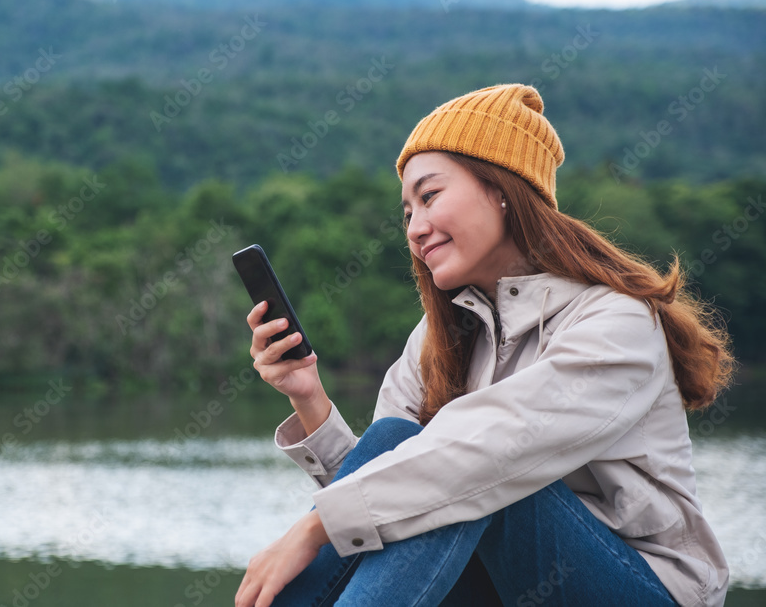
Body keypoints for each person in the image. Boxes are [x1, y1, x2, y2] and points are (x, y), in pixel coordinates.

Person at [235, 84, 732, 607]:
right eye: (407, 213)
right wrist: (309, 400)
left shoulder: (616, 323)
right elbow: (382, 494)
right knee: (397, 442)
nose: (415, 228)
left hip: (642, 588)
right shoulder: (438, 336)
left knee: (474, 481)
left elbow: (483, 458)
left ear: (501, 188)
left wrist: (312, 530)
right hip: (505, 580)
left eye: (429, 196)